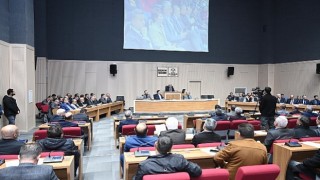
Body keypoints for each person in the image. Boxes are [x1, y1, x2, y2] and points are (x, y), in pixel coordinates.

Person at [133, 136, 202, 180]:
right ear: (171, 148)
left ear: (155, 145)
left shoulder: (144, 165)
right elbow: (197, 171)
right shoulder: (179, 160)